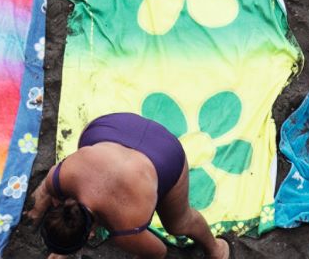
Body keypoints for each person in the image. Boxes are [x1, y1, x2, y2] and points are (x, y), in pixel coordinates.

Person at [29, 111, 231, 259]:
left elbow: (159, 253)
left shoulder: (126, 232)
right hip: (115, 126)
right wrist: (36, 212)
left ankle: (217, 250)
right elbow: (44, 191)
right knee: (92, 163)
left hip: (164, 154)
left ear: (91, 234)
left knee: (179, 223)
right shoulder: (60, 178)